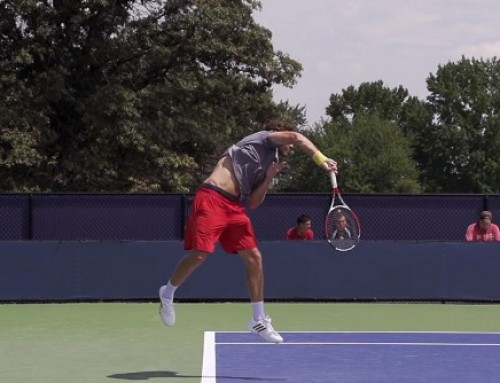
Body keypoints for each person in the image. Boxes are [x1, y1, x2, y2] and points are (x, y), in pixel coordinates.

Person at [158, 119, 337, 344]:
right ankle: (167, 293)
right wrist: (322, 160)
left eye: (291, 144)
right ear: (278, 132)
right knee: (200, 254)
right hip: (212, 196)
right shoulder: (263, 138)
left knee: (254, 258)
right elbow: (296, 138)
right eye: (288, 139)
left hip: (234, 207)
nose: (290, 146)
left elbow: (252, 202)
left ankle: (258, 319)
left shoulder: (270, 162)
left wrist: (270, 177)